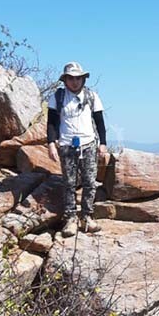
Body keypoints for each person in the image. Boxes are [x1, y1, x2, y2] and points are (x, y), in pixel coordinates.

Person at [46, 62, 107, 237]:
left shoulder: (92, 96)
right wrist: (51, 143)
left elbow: (99, 121)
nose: (74, 82)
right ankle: (71, 219)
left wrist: (103, 143)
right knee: (69, 183)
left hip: (88, 144)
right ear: (65, 80)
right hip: (66, 145)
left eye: (78, 78)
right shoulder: (57, 97)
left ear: (83, 79)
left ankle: (87, 216)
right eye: (71, 78)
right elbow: (51, 122)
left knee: (89, 182)